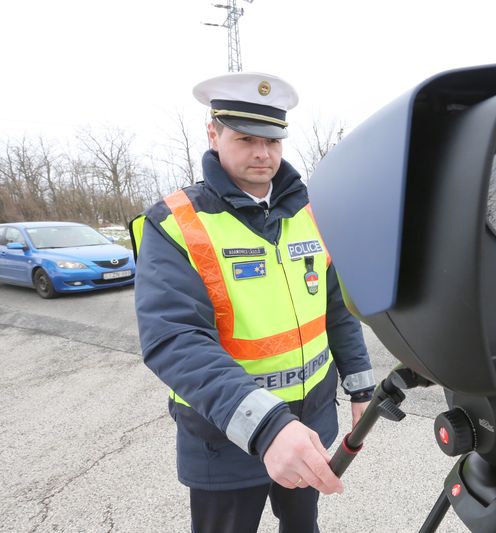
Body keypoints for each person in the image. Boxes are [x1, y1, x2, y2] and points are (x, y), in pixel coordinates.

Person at [129, 71, 375, 533]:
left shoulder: (312, 212)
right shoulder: (176, 222)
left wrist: (361, 388)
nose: (263, 153)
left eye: (272, 140)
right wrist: (267, 426)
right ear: (213, 134)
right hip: (225, 437)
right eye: (245, 138)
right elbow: (174, 339)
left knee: (302, 527)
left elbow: (337, 308)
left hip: (308, 427)